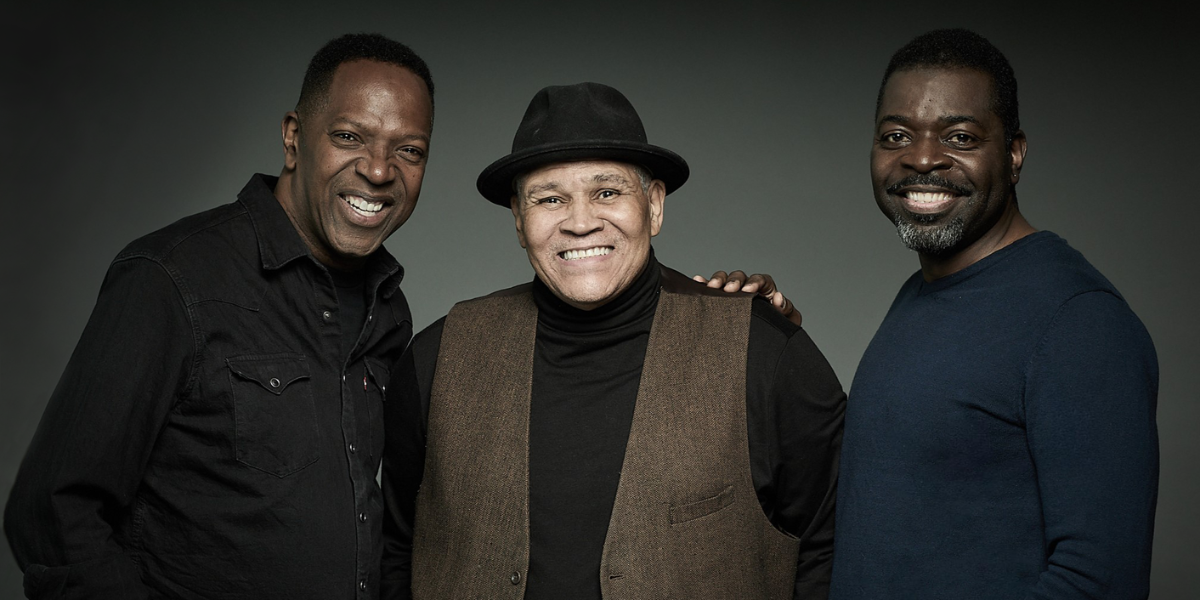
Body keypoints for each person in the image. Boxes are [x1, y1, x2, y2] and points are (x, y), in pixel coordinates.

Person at [4, 33, 435, 599]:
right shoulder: (171, 278)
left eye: (409, 150)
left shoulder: (387, 310)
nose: (380, 172)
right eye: (350, 136)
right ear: (293, 138)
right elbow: (52, 514)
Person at [380, 82, 846, 600]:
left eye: (607, 192)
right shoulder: (438, 359)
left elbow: (828, 551)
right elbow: (398, 550)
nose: (580, 222)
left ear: (654, 204)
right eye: (550, 198)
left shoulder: (766, 354)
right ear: (518, 219)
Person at [829, 29, 1159, 599]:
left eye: (959, 136)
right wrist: (768, 335)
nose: (923, 157)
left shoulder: (1079, 322)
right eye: (896, 135)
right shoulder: (923, 291)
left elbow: (1101, 580)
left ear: (1013, 154)